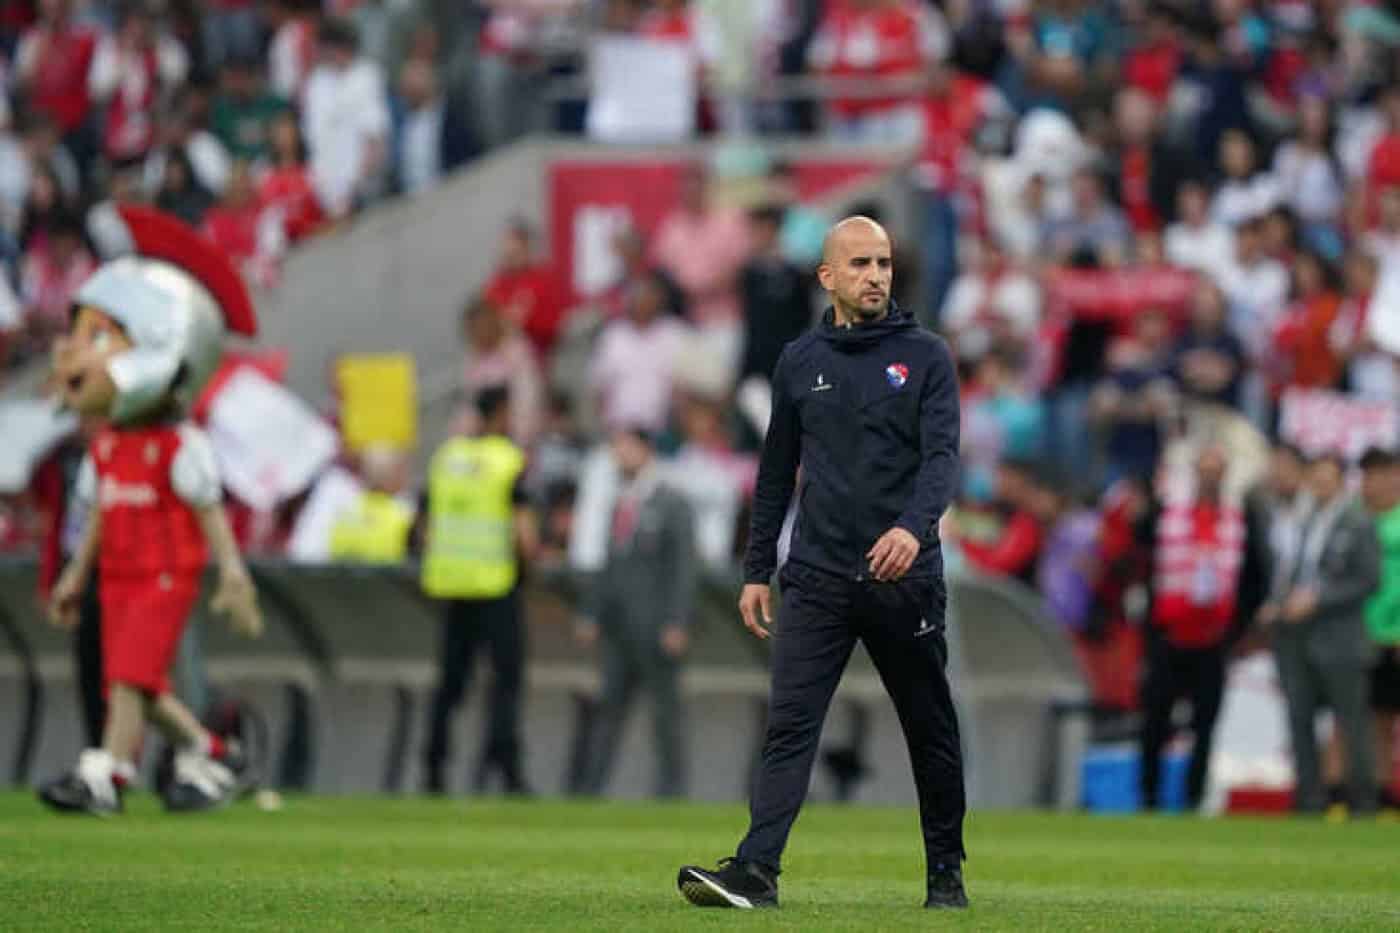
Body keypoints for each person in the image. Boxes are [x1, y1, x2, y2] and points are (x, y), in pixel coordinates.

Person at [677, 216, 966, 910]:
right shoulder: (799, 360)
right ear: (828, 277)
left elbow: (942, 461)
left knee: (928, 727)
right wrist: (755, 568)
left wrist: (911, 528)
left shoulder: (927, 356)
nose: (876, 275)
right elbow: (775, 472)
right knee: (790, 724)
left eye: (884, 262)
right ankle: (757, 871)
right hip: (816, 577)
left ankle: (945, 873)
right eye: (861, 263)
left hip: (904, 579)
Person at [37, 205, 264, 815]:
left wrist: (233, 575)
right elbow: (102, 516)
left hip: (165, 575)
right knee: (141, 683)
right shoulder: (109, 444)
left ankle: (107, 772)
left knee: (127, 679)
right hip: (117, 577)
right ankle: (213, 751)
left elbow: (210, 511)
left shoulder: (177, 447)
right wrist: (75, 575)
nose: (76, 354)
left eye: (100, 336)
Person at [421, 386, 539, 796]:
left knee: (451, 683)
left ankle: (433, 767)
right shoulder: (507, 461)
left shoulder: (447, 458)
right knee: (506, 681)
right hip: (495, 583)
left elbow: (425, 525)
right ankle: (506, 769)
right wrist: (531, 566)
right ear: (501, 413)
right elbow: (524, 532)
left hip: (452, 582)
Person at [574, 425, 698, 798]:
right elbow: (610, 564)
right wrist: (592, 612)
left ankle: (671, 792)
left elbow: (683, 568)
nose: (618, 454)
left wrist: (678, 621)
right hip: (619, 628)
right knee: (607, 711)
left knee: (665, 716)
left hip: (656, 626)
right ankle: (591, 790)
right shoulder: (619, 502)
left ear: (646, 450)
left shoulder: (672, 503)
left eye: (625, 446)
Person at [1261, 452, 1379, 815]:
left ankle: (1362, 803)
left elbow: (1369, 579)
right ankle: (1308, 801)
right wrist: (1277, 604)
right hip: (1296, 637)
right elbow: (1291, 572)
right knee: (1299, 720)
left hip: (1341, 638)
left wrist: (1319, 599)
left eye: (1328, 479)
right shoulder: (1303, 519)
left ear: (1342, 481)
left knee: (1351, 724)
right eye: (1316, 479)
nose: (1321, 486)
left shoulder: (1358, 521)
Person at [1139, 446, 1250, 811]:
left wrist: (1238, 629)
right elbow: (1138, 547)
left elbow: (1254, 576)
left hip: (1212, 641)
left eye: (1216, 471)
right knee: (1155, 721)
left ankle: (1192, 798)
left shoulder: (1240, 518)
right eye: (1204, 470)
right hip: (1169, 636)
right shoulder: (1167, 514)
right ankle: (1149, 797)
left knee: (1205, 726)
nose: (1209, 478)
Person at [1359, 447, 1400, 809]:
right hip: (1363, 634)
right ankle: (1378, 795)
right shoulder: (1356, 518)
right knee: (1372, 721)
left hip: (1395, 633)